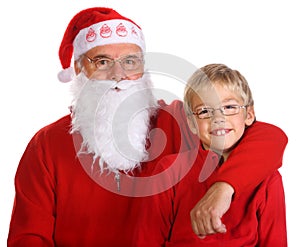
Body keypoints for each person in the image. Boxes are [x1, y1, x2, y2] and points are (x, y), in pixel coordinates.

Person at [7, 7, 287, 247]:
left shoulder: (176, 122)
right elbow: (29, 237)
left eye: (130, 61)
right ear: (80, 69)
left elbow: (268, 137)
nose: (118, 75)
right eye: (102, 61)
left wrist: (224, 187)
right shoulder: (45, 146)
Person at [134, 63, 287, 247]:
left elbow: (275, 241)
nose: (218, 118)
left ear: (250, 114)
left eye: (229, 107)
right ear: (191, 123)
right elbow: (147, 239)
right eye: (205, 111)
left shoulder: (268, 178)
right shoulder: (170, 170)